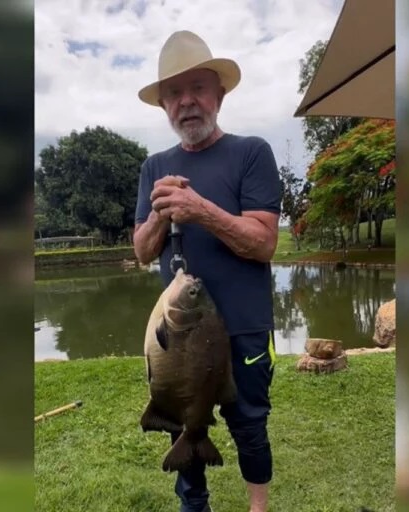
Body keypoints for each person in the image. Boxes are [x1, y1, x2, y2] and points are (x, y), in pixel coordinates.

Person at [133, 30, 282, 512]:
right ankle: (194, 506)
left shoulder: (252, 152)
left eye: (198, 87)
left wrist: (201, 210)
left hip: (245, 328)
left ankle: (257, 507)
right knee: (181, 422)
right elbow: (142, 250)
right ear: (164, 106)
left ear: (219, 94)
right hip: (176, 335)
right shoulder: (154, 167)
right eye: (174, 93)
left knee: (250, 424)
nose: (187, 101)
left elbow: (264, 242)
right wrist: (160, 214)